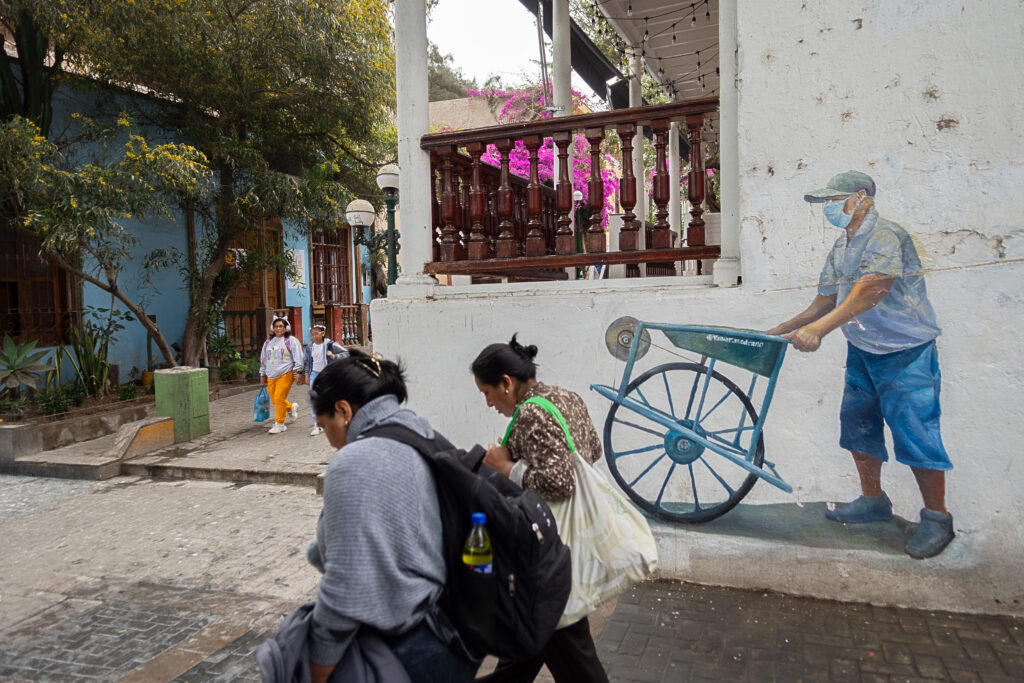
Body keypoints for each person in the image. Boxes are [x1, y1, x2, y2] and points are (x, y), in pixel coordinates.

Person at [765, 170, 955, 559]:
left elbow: (872, 289)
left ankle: (937, 518)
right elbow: (824, 301)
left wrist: (818, 331)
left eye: (836, 200)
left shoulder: (886, 235)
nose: (831, 208)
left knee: (915, 431)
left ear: (862, 196)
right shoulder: (841, 247)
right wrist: (779, 330)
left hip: (906, 350)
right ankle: (873, 501)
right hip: (864, 349)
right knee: (858, 425)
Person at [306, 350, 479, 683]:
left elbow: (345, 587)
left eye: (323, 423)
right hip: (451, 634)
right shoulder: (418, 431)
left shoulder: (353, 462)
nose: (327, 437)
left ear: (342, 411)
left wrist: (318, 666)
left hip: (408, 651)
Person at [470, 335, 609, 683]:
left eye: (487, 392)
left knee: (562, 642)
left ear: (506, 383)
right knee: (530, 645)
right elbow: (593, 449)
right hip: (566, 546)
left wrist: (507, 468)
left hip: (546, 551)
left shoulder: (530, 412)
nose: (488, 403)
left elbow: (562, 482)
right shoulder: (566, 397)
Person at [259, 316, 305, 434]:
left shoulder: (291, 340)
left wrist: (299, 371)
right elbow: (263, 359)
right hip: (270, 375)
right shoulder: (268, 342)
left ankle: (280, 423)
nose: (278, 329)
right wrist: (262, 374)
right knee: (275, 399)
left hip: (286, 373)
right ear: (272, 328)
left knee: (279, 397)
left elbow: (298, 356)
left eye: (281, 326)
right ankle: (290, 407)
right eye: (276, 326)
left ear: (286, 328)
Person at [300, 324, 347, 436]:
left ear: (323, 333)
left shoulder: (330, 345)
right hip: (314, 374)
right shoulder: (310, 347)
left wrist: (333, 356)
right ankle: (318, 424)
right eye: (312, 334)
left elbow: (346, 353)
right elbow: (307, 362)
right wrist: (306, 374)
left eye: (316, 333)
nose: (314, 336)